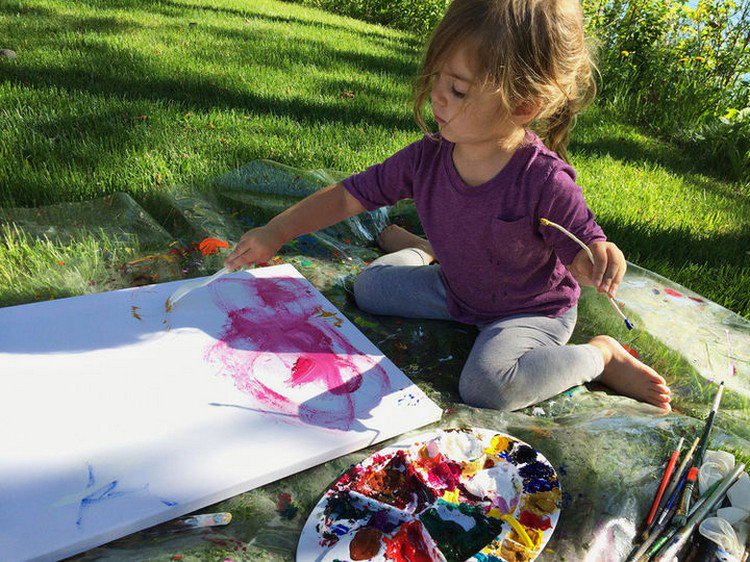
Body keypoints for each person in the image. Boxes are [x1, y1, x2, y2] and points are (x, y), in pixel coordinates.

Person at [225, 0, 672, 412]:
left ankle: (601, 356)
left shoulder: (544, 181)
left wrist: (597, 258)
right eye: (438, 76)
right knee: (368, 288)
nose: (437, 94)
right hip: (456, 288)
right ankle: (424, 249)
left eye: (457, 89)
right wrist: (277, 231)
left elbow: (584, 247)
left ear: (522, 104)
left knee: (488, 386)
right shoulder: (428, 157)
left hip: (529, 311)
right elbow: (349, 194)